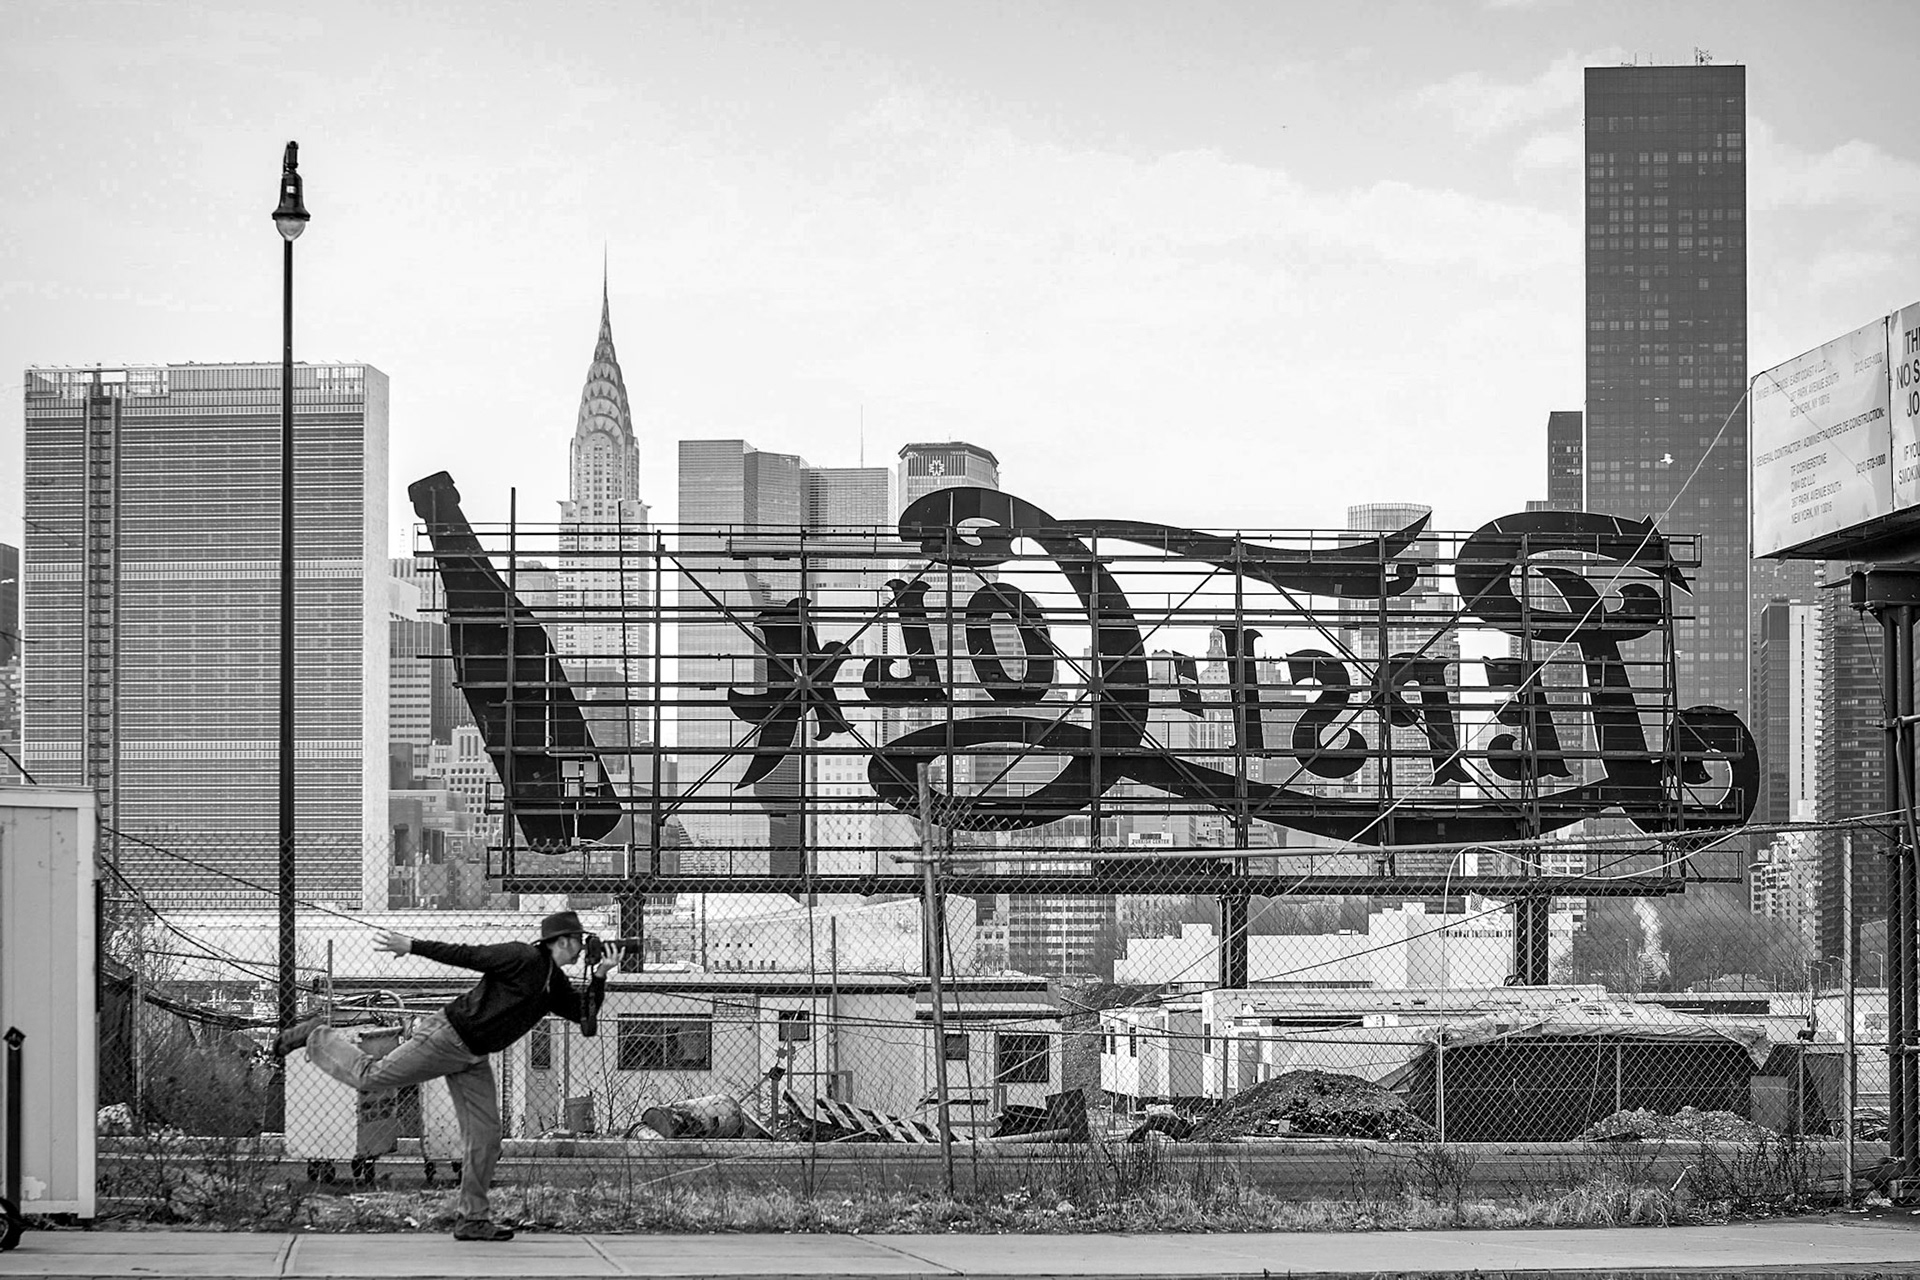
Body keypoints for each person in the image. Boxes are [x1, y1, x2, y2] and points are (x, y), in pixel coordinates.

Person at [275, 909, 617, 1242]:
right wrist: (411, 945)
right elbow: (467, 955)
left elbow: (585, 1021)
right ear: (563, 942)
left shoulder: (554, 983)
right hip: (447, 1036)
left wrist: (600, 975)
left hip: (473, 1056)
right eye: (581, 940)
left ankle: (472, 1219)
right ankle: (317, 1035)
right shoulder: (522, 957)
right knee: (371, 1076)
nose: (585, 947)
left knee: (486, 1137)